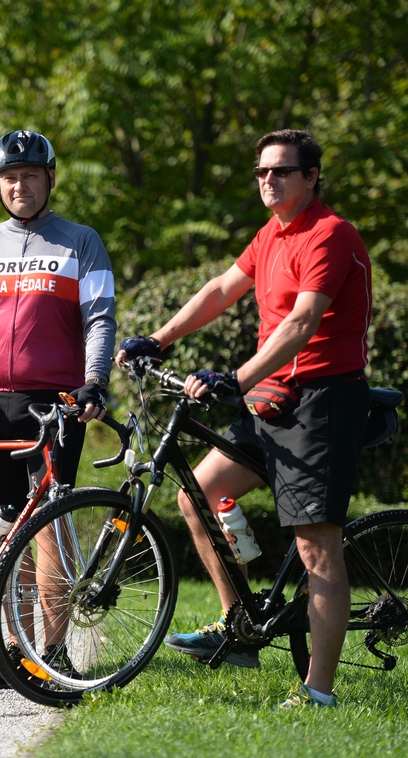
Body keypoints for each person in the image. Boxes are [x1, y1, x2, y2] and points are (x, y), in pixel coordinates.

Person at [116, 129, 373, 709]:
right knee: (196, 493)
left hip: (321, 401)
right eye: (261, 172)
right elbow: (220, 289)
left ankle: (318, 692)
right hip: (272, 402)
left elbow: (301, 324)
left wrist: (238, 377)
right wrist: (159, 338)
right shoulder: (271, 236)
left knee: (316, 548)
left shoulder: (330, 235)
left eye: (282, 171)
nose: (269, 180)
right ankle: (240, 631)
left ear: (311, 177)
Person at [0, 130, 116, 689]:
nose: (19, 186)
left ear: (50, 179)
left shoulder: (80, 242)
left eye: (30, 176)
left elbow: (100, 318)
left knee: (48, 527)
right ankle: (17, 650)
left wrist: (94, 381)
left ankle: (52, 656)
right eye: (10, 178)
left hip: (54, 402)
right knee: (9, 523)